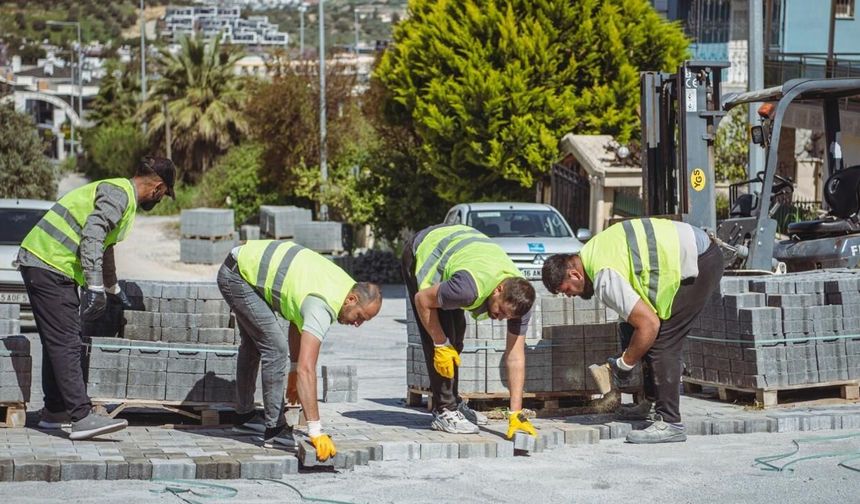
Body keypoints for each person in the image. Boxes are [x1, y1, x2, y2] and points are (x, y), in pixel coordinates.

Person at [18, 156, 176, 440]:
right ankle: (80, 416)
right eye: (165, 193)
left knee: (59, 339)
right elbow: (93, 236)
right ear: (158, 187)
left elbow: (106, 249)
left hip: (47, 264)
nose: (162, 199)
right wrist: (94, 285)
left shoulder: (121, 196)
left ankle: (55, 412)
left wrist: (113, 288)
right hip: (49, 262)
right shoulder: (119, 194)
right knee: (67, 341)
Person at [541, 218, 722, 443]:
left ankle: (670, 422)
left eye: (566, 291)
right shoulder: (591, 253)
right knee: (630, 328)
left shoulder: (603, 276)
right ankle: (650, 402)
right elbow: (633, 320)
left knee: (663, 340)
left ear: (574, 275)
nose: (569, 296)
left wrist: (624, 363)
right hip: (692, 252)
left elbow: (649, 324)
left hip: (699, 261)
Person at [218, 240, 382, 461]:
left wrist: (293, 369)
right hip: (237, 277)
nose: (357, 324)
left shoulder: (344, 287)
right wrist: (315, 430)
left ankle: (245, 417)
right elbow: (308, 369)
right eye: (360, 317)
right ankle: (274, 430)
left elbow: (298, 322)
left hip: (243, 267)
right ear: (352, 300)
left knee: (255, 344)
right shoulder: (323, 303)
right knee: (275, 348)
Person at [402, 224, 538, 439]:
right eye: (501, 311)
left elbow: (515, 356)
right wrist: (440, 343)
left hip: (461, 256)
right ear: (498, 289)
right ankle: (444, 410)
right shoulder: (467, 289)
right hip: (425, 247)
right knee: (442, 339)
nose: (501, 318)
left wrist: (516, 412)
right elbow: (422, 300)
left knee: (457, 336)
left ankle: (453, 402)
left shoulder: (521, 303)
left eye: (507, 317)